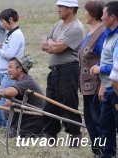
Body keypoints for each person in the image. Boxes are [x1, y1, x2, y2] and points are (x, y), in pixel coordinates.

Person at [41, 0, 85, 145]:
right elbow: (44, 44)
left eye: (61, 6)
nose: (58, 9)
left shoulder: (76, 28)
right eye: (58, 6)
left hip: (68, 70)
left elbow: (57, 49)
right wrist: (53, 44)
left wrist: (53, 44)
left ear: (71, 9)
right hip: (54, 71)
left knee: (68, 104)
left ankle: (74, 137)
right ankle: (51, 136)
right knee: (50, 104)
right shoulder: (58, 25)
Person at [0, 8, 25, 126]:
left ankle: (9, 127)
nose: (2, 24)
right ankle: (6, 126)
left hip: (9, 73)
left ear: (10, 20)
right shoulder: (9, 34)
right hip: (3, 72)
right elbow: (2, 58)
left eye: (3, 21)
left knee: (3, 101)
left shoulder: (17, 35)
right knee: (1, 100)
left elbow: (10, 55)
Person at [90, 1, 118, 157]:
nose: (101, 17)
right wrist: (100, 66)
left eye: (104, 14)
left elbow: (116, 66)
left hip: (116, 89)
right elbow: (107, 59)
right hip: (108, 88)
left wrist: (100, 68)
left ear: (112, 17)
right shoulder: (109, 36)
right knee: (106, 125)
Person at [78, 0, 106, 155]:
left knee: (98, 120)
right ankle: (96, 151)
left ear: (93, 13)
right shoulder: (90, 31)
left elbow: (106, 57)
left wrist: (103, 84)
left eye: (86, 11)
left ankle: (104, 151)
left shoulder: (102, 33)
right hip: (86, 85)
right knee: (89, 121)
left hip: (97, 85)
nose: (84, 14)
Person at [0, 56, 44, 137]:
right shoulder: (21, 81)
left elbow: (9, 92)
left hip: (35, 120)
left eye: (10, 67)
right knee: (10, 134)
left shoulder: (27, 81)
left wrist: (0, 92)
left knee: (12, 136)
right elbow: (8, 103)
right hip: (27, 118)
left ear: (19, 68)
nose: (8, 70)